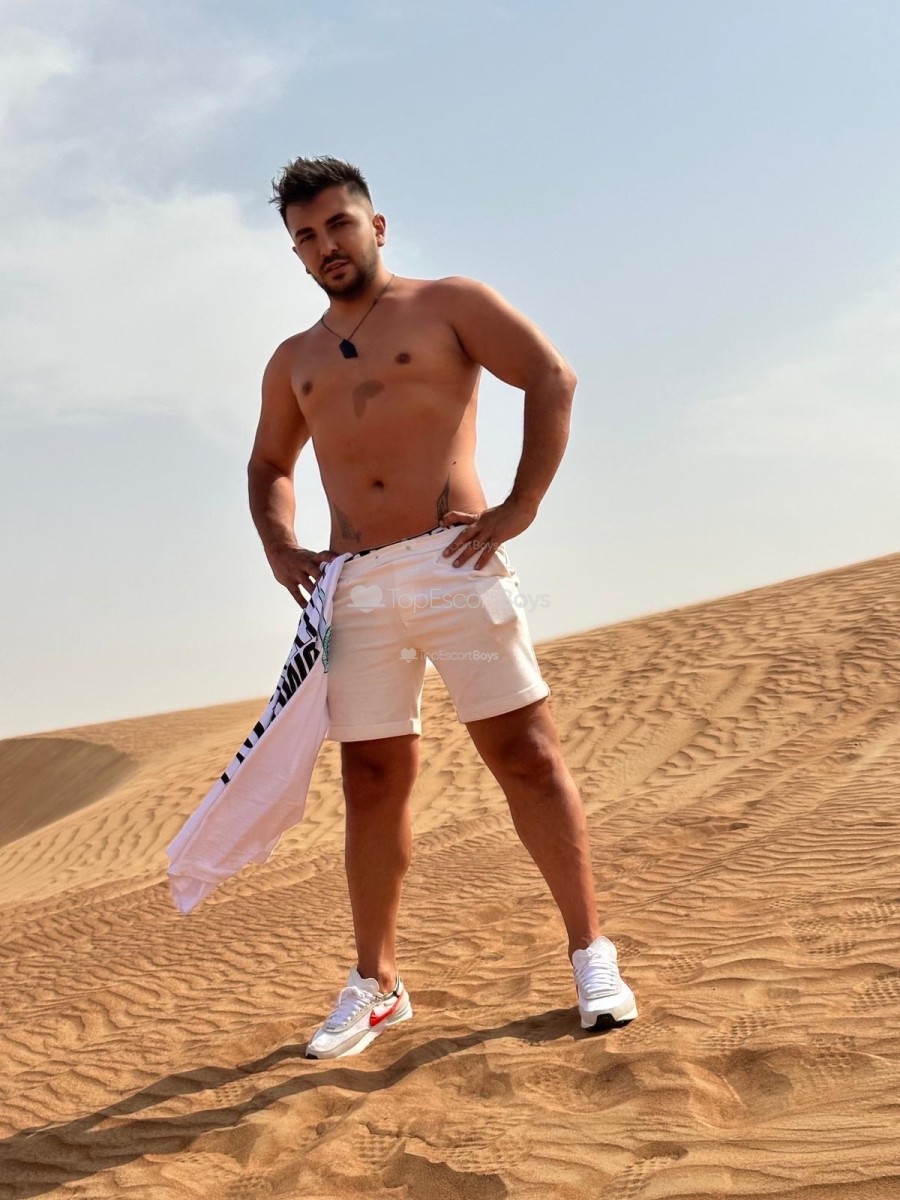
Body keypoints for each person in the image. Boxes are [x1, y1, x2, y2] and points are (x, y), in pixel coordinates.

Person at [248, 155, 637, 1059]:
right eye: (305, 236)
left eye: (338, 224)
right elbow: (269, 464)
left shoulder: (449, 303)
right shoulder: (294, 359)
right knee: (371, 781)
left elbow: (551, 376)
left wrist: (520, 505)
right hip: (355, 585)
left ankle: (591, 954)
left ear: (376, 226)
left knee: (526, 756)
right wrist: (279, 545)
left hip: (454, 560)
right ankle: (377, 984)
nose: (325, 244)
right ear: (295, 252)